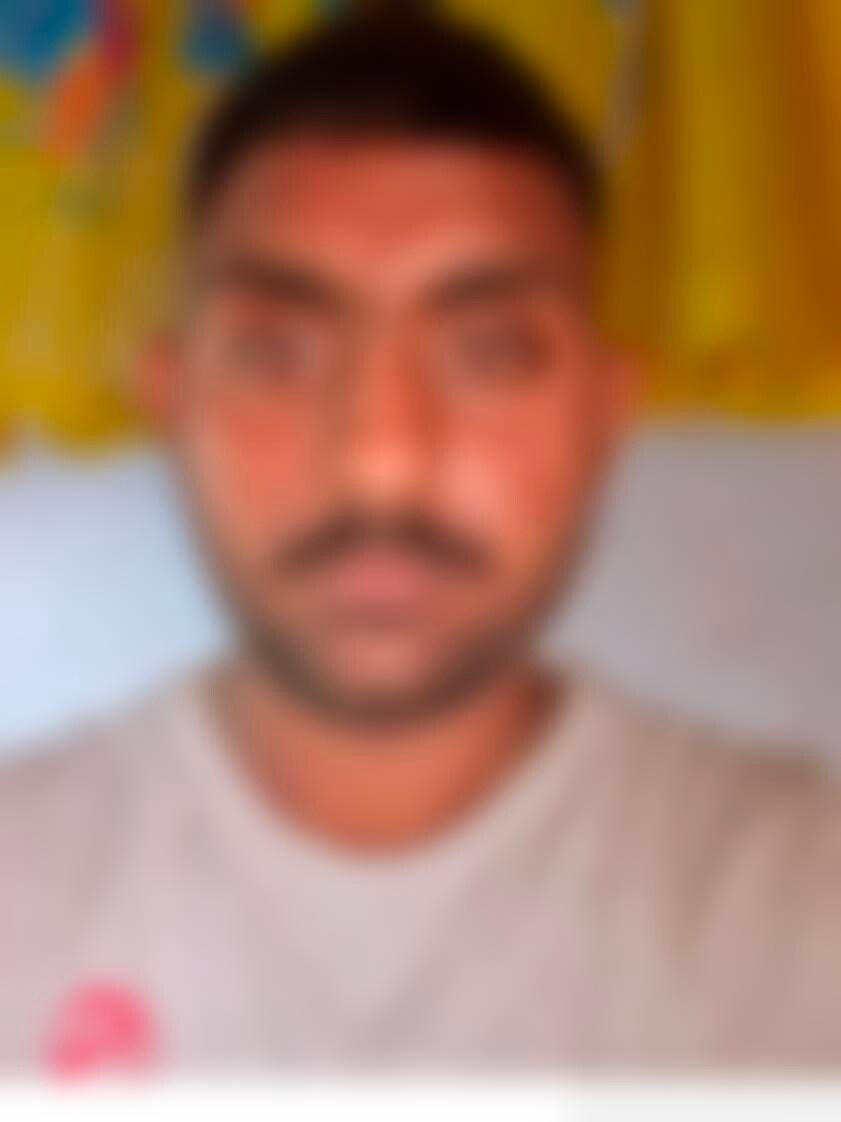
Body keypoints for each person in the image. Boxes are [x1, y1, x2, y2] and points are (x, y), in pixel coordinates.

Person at [2, 6, 840, 1076]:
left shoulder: (801, 905)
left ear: (603, 407)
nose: (382, 459)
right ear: (172, 397)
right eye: (278, 351)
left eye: (487, 351)